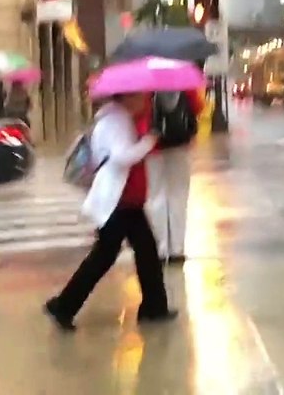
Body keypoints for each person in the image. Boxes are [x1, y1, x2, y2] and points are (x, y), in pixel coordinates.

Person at [45, 90, 174, 330]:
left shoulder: (118, 118)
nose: (145, 101)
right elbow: (121, 157)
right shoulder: (116, 121)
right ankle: (64, 306)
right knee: (106, 256)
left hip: (126, 200)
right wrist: (149, 141)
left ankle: (155, 307)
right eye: (141, 97)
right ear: (127, 98)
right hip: (119, 201)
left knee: (144, 252)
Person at [150, 89, 203, 263]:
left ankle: (159, 248)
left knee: (155, 197)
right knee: (178, 196)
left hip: (151, 146)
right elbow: (198, 107)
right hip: (180, 145)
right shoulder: (184, 84)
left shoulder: (144, 83)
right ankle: (177, 249)